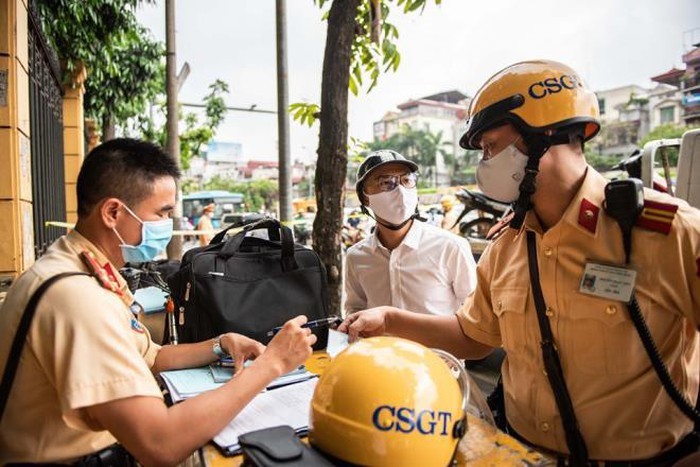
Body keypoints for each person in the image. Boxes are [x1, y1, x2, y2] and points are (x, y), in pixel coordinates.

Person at [339, 60, 700, 464]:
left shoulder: (668, 233)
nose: (484, 164)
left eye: (490, 147)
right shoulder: (506, 248)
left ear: (543, 135)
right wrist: (390, 320)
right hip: (519, 453)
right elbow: (473, 335)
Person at [0, 138, 316, 465]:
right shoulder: (79, 299)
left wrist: (221, 344)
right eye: (162, 213)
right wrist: (272, 365)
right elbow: (159, 444)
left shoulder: (77, 266)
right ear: (112, 212)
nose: (167, 225)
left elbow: (150, 356)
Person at [344, 150, 477, 316]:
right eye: (386, 182)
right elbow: (355, 309)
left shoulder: (450, 247)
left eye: (406, 180)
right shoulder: (356, 256)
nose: (400, 190)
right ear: (365, 198)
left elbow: (475, 316)